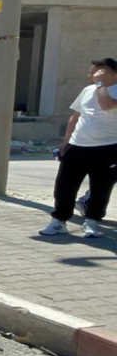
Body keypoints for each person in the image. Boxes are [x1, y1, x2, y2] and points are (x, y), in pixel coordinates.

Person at [41, 58, 117, 238]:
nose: (91, 75)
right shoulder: (87, 90)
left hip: (108, 148)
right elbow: (75, 116)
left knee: (100, 188)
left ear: (112, 73)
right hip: (77, 146)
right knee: (64, 186)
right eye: (92, 72)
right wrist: (65, 142)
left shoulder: (107, 90)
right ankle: (59, 221)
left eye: (98, 72)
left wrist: (100, 84)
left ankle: (91, 222)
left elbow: (107, 105)